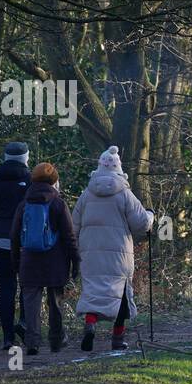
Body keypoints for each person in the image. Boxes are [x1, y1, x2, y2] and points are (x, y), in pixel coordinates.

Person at [73, 146, 153, 351]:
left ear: (99, 167)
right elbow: (142, 224)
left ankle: (90, 324)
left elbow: (74, 224)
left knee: (93, 290)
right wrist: (151, 215)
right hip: (119, 254)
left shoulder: (86, 194)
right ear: (118, 168)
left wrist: (73, 248)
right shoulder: (125, 194)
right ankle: (117, 339)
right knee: (120, 294)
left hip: (90, 252)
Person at [10, 163, 80, 355]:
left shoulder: (24, 205)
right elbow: (69, 235)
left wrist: (16, 262)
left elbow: (15, 235)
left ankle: (32, 343)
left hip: (29, 262)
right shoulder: (58, 203)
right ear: (54, 181)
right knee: (55, 303)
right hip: (55, 263)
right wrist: (75, 260)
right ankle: (56, 341)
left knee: (31, 304)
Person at [0, 141, 31, 349]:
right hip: (25, 241)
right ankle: (24, 323)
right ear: (26, 158)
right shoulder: (30, 180)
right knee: (28, 286)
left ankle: (7, 337)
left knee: (6, 288)